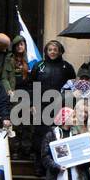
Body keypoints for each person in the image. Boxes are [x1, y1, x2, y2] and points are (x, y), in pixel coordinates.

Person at [29, 40, 75, 171]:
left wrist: (69, 107)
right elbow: (32, 86)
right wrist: (32, 104)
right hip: (41, 106)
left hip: (60, 107)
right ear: (46, 51)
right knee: (40, 135)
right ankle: (39, 165)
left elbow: (71, 88)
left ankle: (57, 164)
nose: (53, 52)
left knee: (57, 136)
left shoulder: (67, 67)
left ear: (60, 51)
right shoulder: (39, 66)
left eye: (55, 49)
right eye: (50, 49)